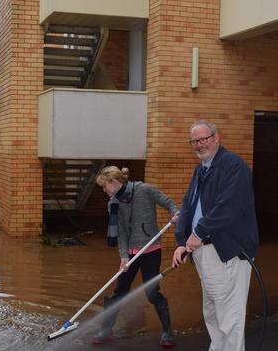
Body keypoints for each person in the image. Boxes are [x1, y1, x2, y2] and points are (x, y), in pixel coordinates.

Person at [171, 120, 259, 351]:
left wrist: (198, 232)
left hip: (227, 252)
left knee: (229, 316)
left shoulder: (233, 166)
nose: (199, 145)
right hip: (203, 251)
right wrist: (182, 242)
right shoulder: (201, 170)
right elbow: (189, 206)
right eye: (194, 141)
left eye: (204, 139)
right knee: (212, 312)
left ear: (216, 137)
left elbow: (227, 207)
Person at [94, 166, 178, 348]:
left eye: (104, 186)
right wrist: (124, 257)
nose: (104, 190)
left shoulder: (145, 190)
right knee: (119, 290)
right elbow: (122, 234)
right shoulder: (113, 204)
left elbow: (168, 202)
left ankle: (167, 331)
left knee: (152, 291)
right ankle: (106, 329)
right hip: (131, 253)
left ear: (113, 182)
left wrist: (174, 212)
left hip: (151, 249)